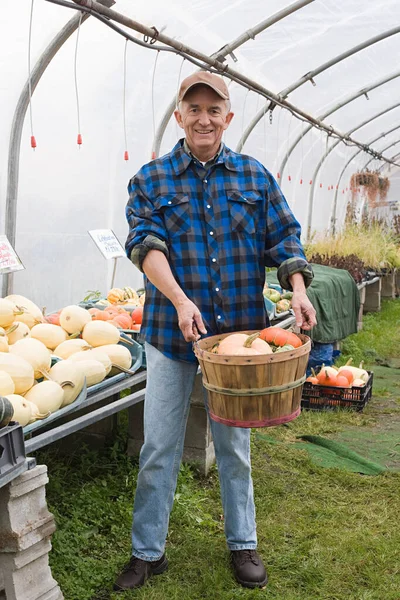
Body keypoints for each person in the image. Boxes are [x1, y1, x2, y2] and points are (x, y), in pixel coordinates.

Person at [115, 71, 317, 593]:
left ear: (228, 117)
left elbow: (284, 236)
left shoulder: (254, 177)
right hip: (171, 335)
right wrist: (180, 300)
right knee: (159, 446)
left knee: (234, 447)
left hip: (239, 347)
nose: (203, 119)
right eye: (193, 109)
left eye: (214, 109)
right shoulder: (151, 180)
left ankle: (242, 544)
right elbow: (144, 244)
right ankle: (147, 552)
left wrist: (296, 286)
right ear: (178, 116)